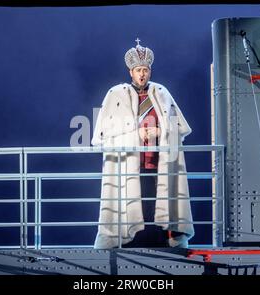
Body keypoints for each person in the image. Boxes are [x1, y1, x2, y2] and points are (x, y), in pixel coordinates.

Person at [91, 38, 194, 249]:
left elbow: (180, 128)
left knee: (156, 206)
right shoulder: (115, 95)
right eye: (138, 70)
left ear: (150, 70)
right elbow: (102, 136)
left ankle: (164, 239)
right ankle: (125, 240)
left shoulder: (162, 93)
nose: (142, 74)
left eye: (145, 69)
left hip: (158, 164)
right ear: (131, 72)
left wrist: (162, 131)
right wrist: (135, 135)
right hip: (130, 165)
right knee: (130, 204)